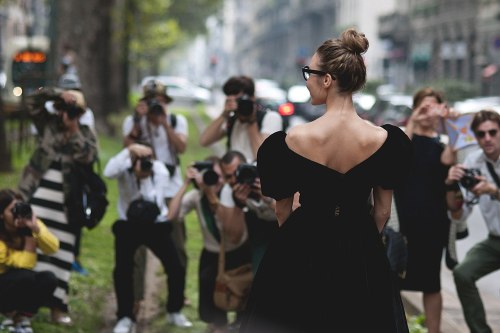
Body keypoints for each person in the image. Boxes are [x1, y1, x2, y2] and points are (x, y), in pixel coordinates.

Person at [239, 28, 412, 333]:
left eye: (309, 72)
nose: (306, 80)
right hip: (360, 245)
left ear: (328, 79)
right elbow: (382, 212)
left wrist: (299, 242)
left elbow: (282, 210)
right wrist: (358, 241)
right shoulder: (386, 141)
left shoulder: (290, 140)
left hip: (302, 242)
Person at [18, 88, 98, 325]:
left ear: (80, 114)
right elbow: (32, 100)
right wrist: (56, 94)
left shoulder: (85, 132)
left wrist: (73, 129)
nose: (67, 113)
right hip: (36, 196)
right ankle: (25, 308)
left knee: (62, 254)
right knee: (32, 249)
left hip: (66, 204)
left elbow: (88, 157)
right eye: (65, 109)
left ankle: (57, 307)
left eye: (73, 110)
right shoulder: (47, 124)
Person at [103, 143, 192, 333]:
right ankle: (125, 316)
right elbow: (108, 172)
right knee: (123, 271)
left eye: (148, 158)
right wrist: (128, 151)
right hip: (128, 225)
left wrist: (142, 178)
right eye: (140, 158)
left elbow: (153, 199)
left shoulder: (158, 170)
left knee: (175, 266)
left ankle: (174, 310)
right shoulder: (123, 167)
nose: (145, 163)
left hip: (155, 224)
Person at [122, 81, 190, 312]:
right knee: (136, 247)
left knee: (177, 242)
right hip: (142, 189)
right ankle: (135, 297)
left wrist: (164, 123)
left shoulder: (175, 120)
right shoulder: (133, 122)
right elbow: (126, 148)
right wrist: (139, 123)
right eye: (151, 101)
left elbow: (181, 147)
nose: (156, 106)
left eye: (159, 101)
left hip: (171, 186)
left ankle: (178, 295)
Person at [393, 87, 454, 333]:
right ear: (415, 107)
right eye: (424, 107)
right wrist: (414, 121)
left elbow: (449, 161)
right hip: (403, 222)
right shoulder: (403, 136)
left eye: (434, 107)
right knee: (393, 277)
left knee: (431, 283)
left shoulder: (443, 144)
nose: (428, 113)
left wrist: (450, 124)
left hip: (433, 222)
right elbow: (396, 156)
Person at [167, 157, 250, 333]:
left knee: (242, 301)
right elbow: (171, 215)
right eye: (211, 175)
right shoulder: (197, 197)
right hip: (212, 256)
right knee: (214, 311)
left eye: (220, 176)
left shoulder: (233, 192)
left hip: (238, 253)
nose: (216, 180)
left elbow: (232, 234)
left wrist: (212, 195)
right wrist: (186, 183)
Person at [445, 109, 500, 333]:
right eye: (481, 134)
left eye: (492, 132)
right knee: (463, 273)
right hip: (494, 241)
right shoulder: (473, 161)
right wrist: (450, 185)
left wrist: (493, 190)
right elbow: (459, 214)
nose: (487, 138)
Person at [0, 189, 59, 333]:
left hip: (17, 280)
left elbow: (53, 248)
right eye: (12, 210)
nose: (17, 213)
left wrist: (36, 230)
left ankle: (21, 318)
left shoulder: (29, 225)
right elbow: (11, 261)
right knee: (25, 277)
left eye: (20, 207)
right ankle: (6, 316)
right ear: (1, 214)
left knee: (48, 279)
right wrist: (29, 247)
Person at [218, 150, 279, 273]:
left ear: (247, 165)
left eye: (238, 172)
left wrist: (269, 198)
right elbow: (234, 237)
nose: (235, 179)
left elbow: (296, 209)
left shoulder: (268, 170)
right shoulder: (228, 190)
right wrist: (238, 204)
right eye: (229, 176)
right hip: (259, 227)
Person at [199, 75, 282, 162]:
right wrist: (224, 114)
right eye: (234, 101)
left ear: (253, 97)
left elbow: (264, 158)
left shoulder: (270, 118)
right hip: (234, 174)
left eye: (241, 100)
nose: (239, 105)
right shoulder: (232, 119)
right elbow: (204, 141)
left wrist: (251, 120)